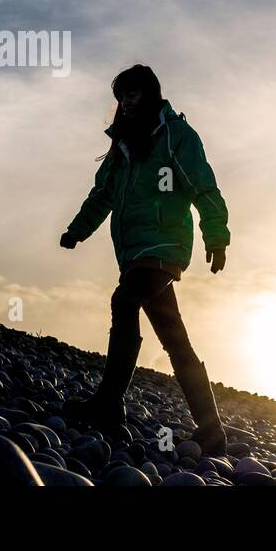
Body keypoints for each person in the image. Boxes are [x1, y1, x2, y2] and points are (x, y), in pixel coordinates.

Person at [59, 64, 231, 455]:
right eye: (121, 96)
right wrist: (77, 230)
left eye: (132, 94)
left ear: (150, 94)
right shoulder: (121, 146)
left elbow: (203, 186)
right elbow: (102, 194)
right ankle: (212, 429)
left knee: (124, 301)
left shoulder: (177, 136)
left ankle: (107, 404)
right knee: (175, 340)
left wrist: (216, 237)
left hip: (164, 247)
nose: (125, 102)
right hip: (133, 253)